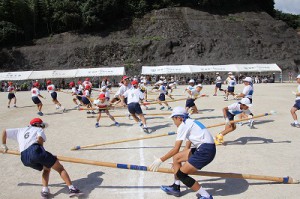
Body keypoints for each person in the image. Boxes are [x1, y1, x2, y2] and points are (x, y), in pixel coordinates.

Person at [1, 118, 83, 198]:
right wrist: (43, 153)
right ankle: (72, 189)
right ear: (38, 125)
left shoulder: (20, 130)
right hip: (36, 151)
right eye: (42, 125)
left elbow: (5, 131)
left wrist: (4, 145)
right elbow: (39, 139)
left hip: (24, 158)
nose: (43, 128)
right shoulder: (38, 129)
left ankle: (45, 191)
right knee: (60, 168)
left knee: (47, 168)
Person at [149, 107, 216, 199]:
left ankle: (206, 196)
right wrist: (182, 160)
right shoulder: (190, 122)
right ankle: (176, 187)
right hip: (206, 148)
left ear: (179, 118)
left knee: (181, 175)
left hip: (205, 151)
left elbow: (176, 148)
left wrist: (160, 160)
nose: (174, 122)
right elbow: (187, 145)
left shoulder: (183, 125)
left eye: (173, 119)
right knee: (177, 158)